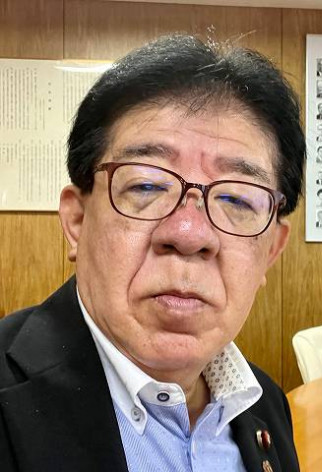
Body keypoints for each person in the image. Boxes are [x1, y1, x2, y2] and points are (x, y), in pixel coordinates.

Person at [0, 34, 303, 470]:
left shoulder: (264, 402)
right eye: (147, 185)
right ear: (77, 221)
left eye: (237, 199)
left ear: (271, 251)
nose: (189, 234)